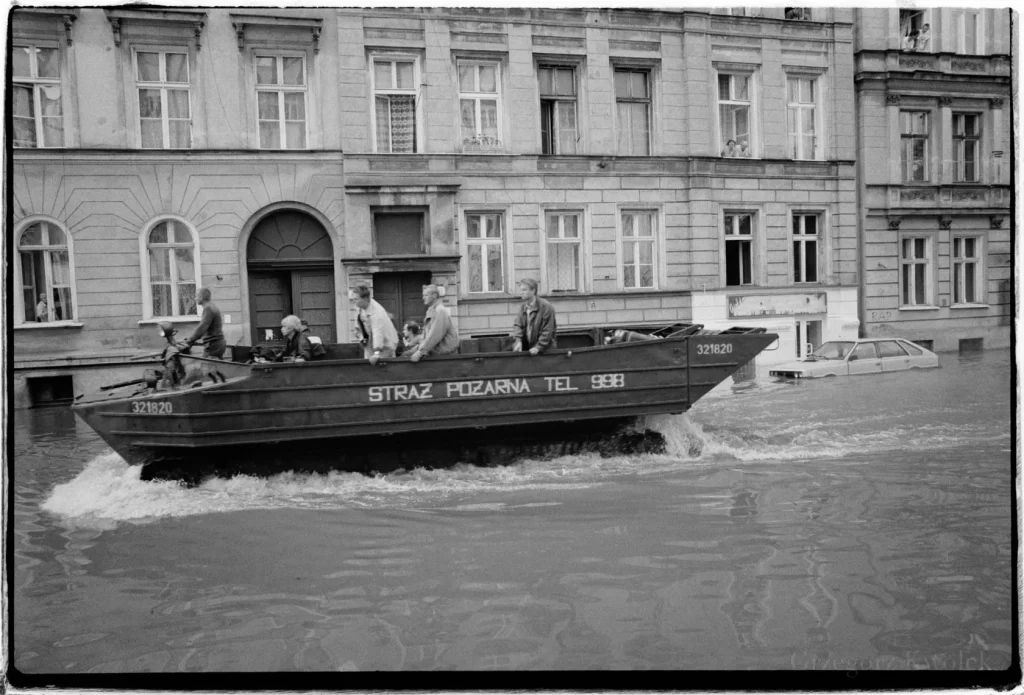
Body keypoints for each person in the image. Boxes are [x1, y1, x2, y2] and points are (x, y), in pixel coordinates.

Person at [350, 285, 399, 365]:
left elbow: (378, 332)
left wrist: (377, 353)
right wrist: (357, 331)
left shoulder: (377, 312)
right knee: (369, 367)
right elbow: (359, 320)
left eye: (356, 299)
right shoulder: (360, 307)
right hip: (370, 343)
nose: (354, 301)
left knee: (382, 369)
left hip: (385, 346)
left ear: (365, 299)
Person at [409, 284, 459, 362]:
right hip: (439, 356)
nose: (423, 298)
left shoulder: (440, 311)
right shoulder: (432, 311)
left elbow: (434, 335)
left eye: (426, 295)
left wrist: (419, 353)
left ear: (434, 295)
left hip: (446, 358)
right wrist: (417, 347)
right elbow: (427, 336)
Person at [511, 278, 557, 355]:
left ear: (533, 291)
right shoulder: (523, 307)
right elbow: (517, 325)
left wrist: (538, 347)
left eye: (524, 290)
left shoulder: (546, 307)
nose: (521, 293)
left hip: (546, 352)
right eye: (521, 290)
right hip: (530, 350)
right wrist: (518, 340)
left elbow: (548, 330)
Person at [183, 287, 226, 359]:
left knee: (206, 367)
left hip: (213, 345)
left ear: (201, 297)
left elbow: (202, 328)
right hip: (216, 344)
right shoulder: (211, 307)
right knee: (215, 368)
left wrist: (190, 340)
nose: (195, 298)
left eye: (196, 296)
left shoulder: (208, 309)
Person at [157, 321, 187, 389]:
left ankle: (172, 385)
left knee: (171, 369)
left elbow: (169, 370)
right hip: (173, 377)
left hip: (174, 384)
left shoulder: (172, 349)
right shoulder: (170, 347)